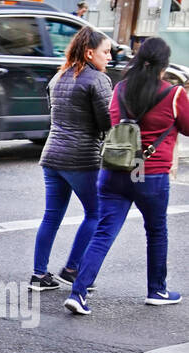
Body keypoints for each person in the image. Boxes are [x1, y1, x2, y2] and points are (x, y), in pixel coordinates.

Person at [66, 36, 189, 314]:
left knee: (104, 232)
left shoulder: (121, 89)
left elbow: (112, 122)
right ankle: (157, 290)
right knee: (156, 232)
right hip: (150, 175)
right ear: (164, 65)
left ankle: (78, 292)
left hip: (114, 172)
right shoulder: (174, 94)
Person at [29, 26, 113, 291]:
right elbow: (107, 122)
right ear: (90, 53)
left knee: (51, 216)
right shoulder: (97, 80)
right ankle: (73, 268)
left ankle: (39, 275)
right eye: (106, 52)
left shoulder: (58, 77)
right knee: (96, 214)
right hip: (81, 158)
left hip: (52, 155)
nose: (110, 57)